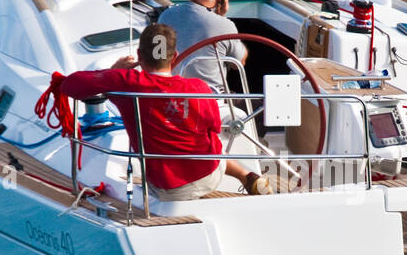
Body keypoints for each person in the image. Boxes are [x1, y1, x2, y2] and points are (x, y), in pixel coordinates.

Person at [59, 23, 271, 201]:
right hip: (208, 175)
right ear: (175, 56)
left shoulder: (126, 83)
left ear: (140, 55)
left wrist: (114, 70)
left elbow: (70, 85)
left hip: (169, 188)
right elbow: (213, 127)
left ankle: (240, 177)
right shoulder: (199, 88)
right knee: (211, 142)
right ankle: (246, 175)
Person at [157, 0, 247, 95]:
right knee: (260, 104)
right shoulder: (225, 25)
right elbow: (239, 63)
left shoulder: (165, 17)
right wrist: (221, 18)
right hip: (210, 100)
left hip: (173, 95)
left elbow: (156, 58)